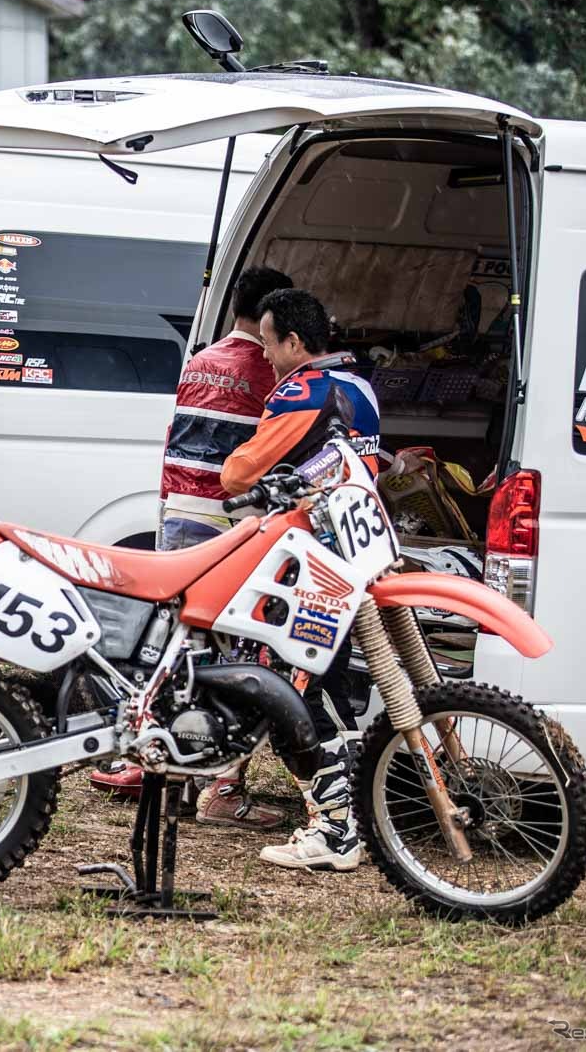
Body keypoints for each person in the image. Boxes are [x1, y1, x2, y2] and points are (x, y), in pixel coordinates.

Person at [89, 266, 292, 830]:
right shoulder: (271, 371)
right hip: (230, 527)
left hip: (178, 516)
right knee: (241, 658)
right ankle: (222, 787)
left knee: (182, 650)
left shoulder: (199, 361)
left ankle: (162, 766)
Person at [224, 287, 381, 872]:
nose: (264, 355)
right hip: (353, 548)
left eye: (268, 344)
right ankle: (349, 819)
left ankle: (335, 830)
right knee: (330, 686)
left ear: (294, 342)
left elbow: (239, 472)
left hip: (310, 558)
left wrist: (242, 469)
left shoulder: (302, 390)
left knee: (294, 689)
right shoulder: (361, 386)